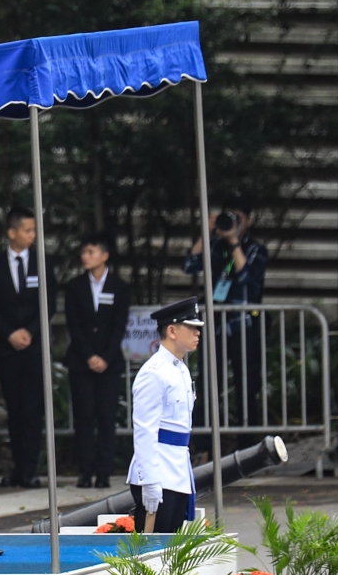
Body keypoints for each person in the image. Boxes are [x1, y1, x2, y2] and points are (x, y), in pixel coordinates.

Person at [0, 205, 56, 488]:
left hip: (35, 347)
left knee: (33, 408)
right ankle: (17, 467)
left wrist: (29, 331)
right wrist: (10, 333)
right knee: (14, 408)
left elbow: (49, 304)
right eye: (27, 230)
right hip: (7, 347)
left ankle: (31, 469)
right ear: (12, 233)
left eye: (34, 230)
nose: (32, 235)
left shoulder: (42, 262)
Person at [184, 195, 268, 440]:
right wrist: (206, 232)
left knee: (246, 384)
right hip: (215, 325)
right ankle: (206, 445)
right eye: (228, 217)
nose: (232, 223)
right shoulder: (214, 246)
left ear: (248, 221)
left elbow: (247, 276)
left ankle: (248, 444)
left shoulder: (256, 249)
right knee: (208, 384)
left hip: (244, 324)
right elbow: (189, 265)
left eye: (237, 218)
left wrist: (233, 242)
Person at [127, 297, 202, 533]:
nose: (197, 332)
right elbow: (145, 430)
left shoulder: (181, 370)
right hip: (159, 471)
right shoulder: (154, 372)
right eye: (191, 327)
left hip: (178, 470)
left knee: (171, 548)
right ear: (172, 330)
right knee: (152, 548)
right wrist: (149, 480)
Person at [64, 233, 130, 489]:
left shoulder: (119, 287)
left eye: (91, 252)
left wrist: (105, 357)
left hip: (109, 363)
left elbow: (119, 326)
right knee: (84, 417)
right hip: (81, 362)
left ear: (104, 255)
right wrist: (89, 356)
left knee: (106, 418)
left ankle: (104, 471)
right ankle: (85, 470)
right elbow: (74, 324)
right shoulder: (74, 286)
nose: (85, 256)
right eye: (84, 252)